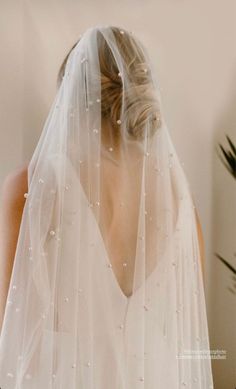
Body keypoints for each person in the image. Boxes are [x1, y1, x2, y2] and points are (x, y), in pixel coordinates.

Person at [0, 25, 213, 388]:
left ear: (69, 97)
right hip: (157, 376)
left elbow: (8, 325)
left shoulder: (33, 185)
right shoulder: (181, 197)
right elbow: (189, 326)